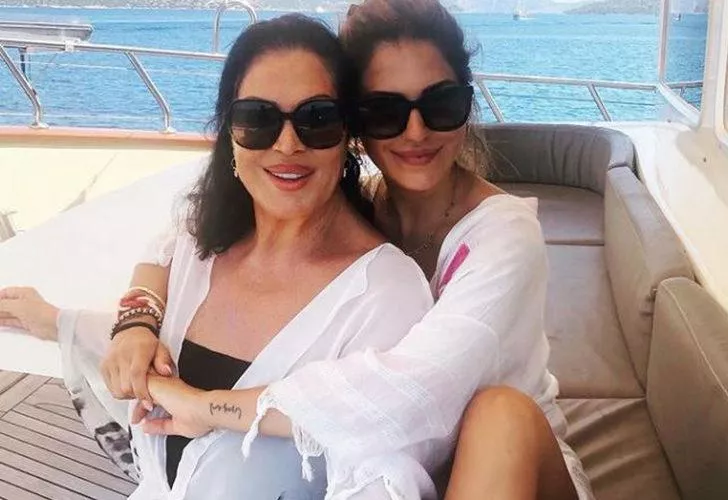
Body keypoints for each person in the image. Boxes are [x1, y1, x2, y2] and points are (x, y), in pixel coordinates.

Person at [0, 14, 435, 500]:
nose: (287, 144)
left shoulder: (385, 296)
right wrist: (135, 324)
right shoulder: (200, 241)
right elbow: (158, 258)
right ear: (229, 132)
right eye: (257, 119)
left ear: (348, 134)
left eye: (317, 118)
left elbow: (383, 456)